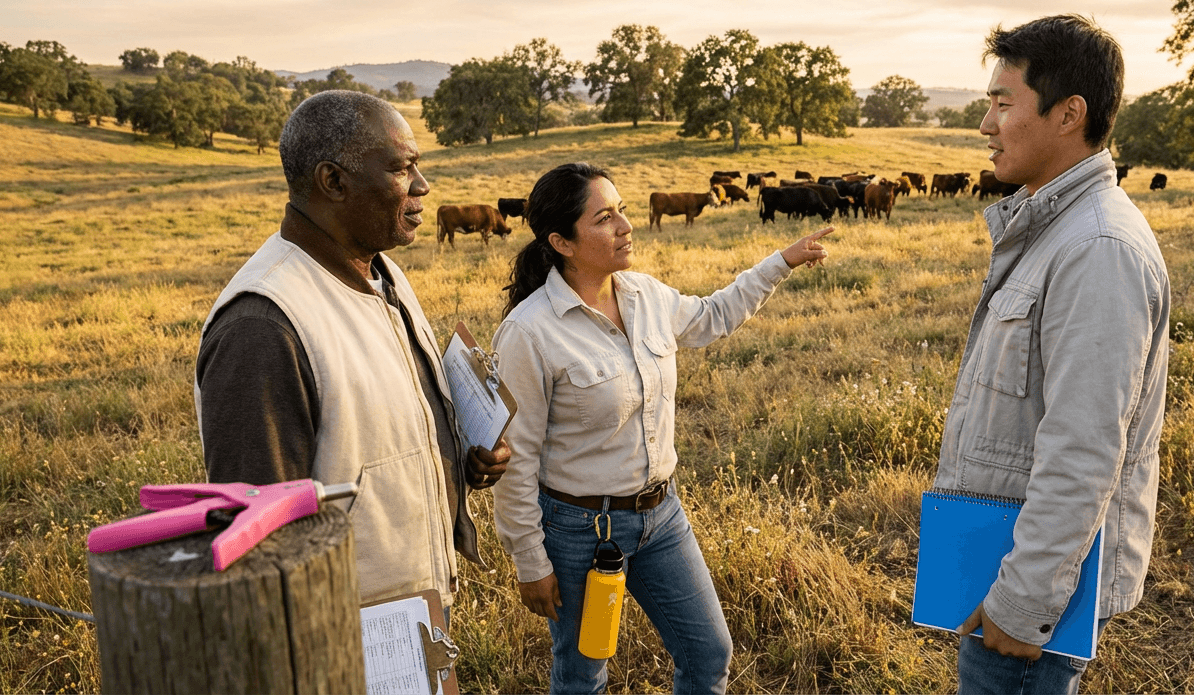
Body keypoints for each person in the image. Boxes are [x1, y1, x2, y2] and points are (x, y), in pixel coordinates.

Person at [490, 163, 832, 695]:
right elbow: (518, 456)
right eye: (605, 218)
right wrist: (528, 558)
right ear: (561, 241)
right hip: (581, 530)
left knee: (709, 653)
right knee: (583, 673)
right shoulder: (528, 333)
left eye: (622, 210)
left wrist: (779, 262)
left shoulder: (645, 295)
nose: (626, 225)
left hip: (661, 515)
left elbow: (715, 314)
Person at [195, 90, 510, 610]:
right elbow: (259, 547)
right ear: (334, 181)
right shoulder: (263, 326)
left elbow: (372, 438)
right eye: (402, 168)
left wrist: (457, 459)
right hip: (344, 635)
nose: (423, 187)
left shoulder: (381, 273)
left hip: (409, 609)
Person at [937, 14, 1171, 694]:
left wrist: (1025, 600)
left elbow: (1084, 447)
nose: (985, 124)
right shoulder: (1053, 229)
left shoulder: (1098, 249)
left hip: (1031, 593)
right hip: (1005, 559)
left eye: (1002, 104)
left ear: (1069, 115)